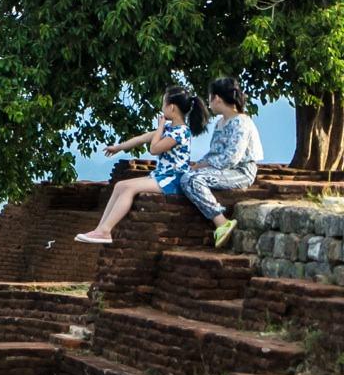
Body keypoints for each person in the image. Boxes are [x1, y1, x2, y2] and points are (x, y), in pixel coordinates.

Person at [74, 87, 207, 244]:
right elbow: (142, 138)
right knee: (120, 186)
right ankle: (100, 230)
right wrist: (118, 148)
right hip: (161, 176)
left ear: (171, 107)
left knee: (129, 188)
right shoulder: (168, 129)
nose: (161, 108)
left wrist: (159, 128)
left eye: (163, 104)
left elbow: (154, 149)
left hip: (173, 179)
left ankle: (105, 231)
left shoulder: (181, 132)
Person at [191, 77, 264, 249]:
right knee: (188, 176)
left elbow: (231, 158)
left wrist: (201, 167)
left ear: (217, 98)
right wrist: (196, 165)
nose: (209, 103)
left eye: (210, 98)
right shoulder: (220, 123)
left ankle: (221, 222)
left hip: (240, 171)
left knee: (194, 180)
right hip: (222, 169)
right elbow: (214, 153)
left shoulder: (241, 122)